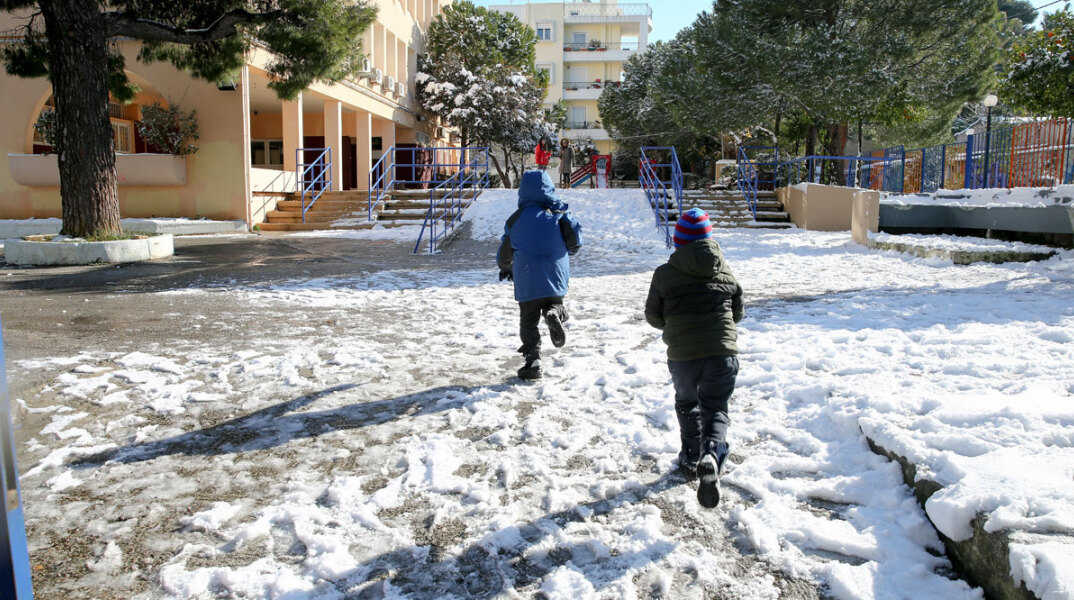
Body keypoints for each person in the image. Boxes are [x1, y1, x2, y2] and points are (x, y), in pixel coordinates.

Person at [644, 208, 742, 508]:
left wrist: (676, 322)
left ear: (678, 241)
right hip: (722, 353)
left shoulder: (664, 274)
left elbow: (653, 316)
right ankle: (711, 453)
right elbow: (737, 313)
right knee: (715, 407)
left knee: (687, 403)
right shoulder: (725, 270)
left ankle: (690, 456)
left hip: (683, 355)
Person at [497, 170, 583, 380]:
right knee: (556, 303)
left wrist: (506, 268)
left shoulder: (516, 219)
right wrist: (566, 251)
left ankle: (533, 362)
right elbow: (575, 242)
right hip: (555, 275)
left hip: (527, 279)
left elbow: (504, 255)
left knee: (528, 321)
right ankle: (554, 312)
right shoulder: (558, 214)